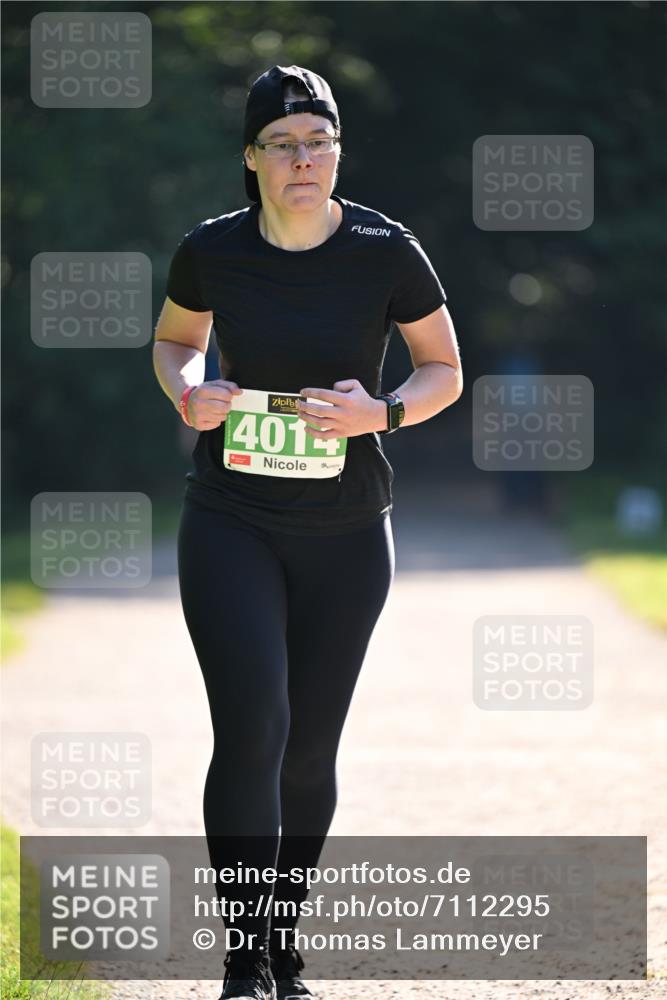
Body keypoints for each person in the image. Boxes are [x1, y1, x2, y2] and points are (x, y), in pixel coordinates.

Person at [153, 64, 462, 1000]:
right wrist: (188, 391)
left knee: (308, 750)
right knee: (253, 727)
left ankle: (283, 946)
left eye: (317, 141)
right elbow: (175, 342)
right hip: (231, 519)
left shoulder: (384, 248)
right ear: (251, 159)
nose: (302, 159)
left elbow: (441, 368)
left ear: (337, 152)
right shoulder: (211, 250)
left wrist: (384, 414)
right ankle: (244, 956)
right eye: (282, 144)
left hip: (347, 528)